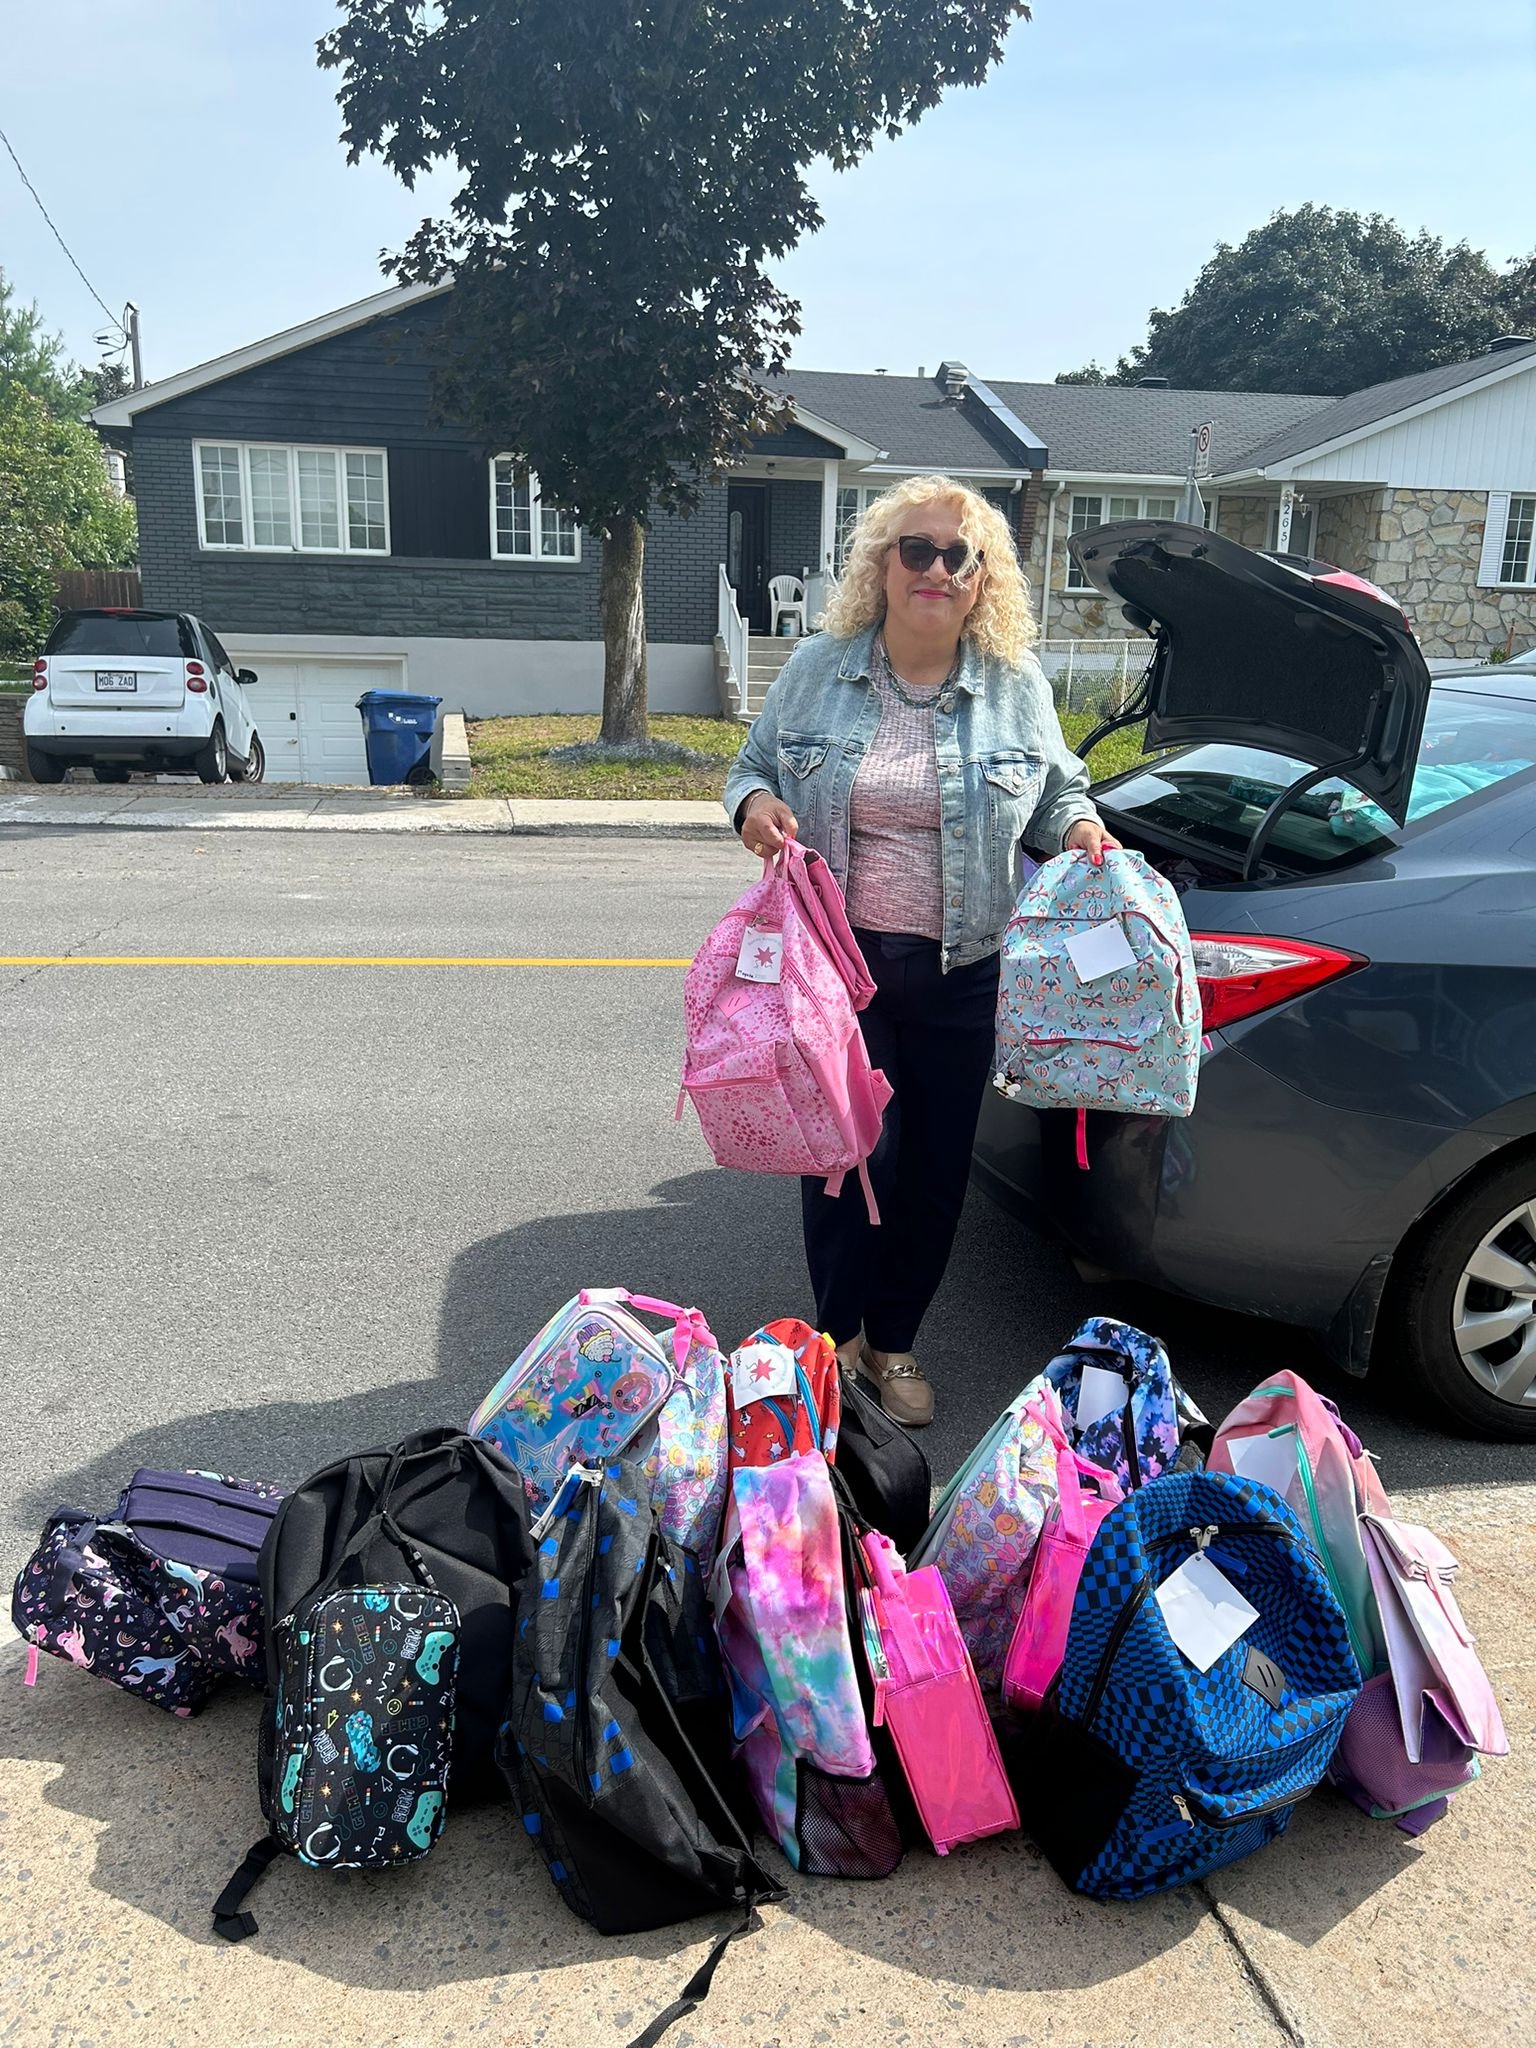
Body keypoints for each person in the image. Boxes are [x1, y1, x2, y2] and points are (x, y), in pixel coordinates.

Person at [722, 474, 1119, 1426]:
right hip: (839, 970)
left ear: (981, 580)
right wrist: (755, 808)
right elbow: (754, 766)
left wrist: (1081, 830)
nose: (934, 569)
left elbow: (1059, 792)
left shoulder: (1016, 688)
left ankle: (894, 1344)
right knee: (850, 1162)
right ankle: (838, 1342)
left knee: (934, 1174)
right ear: (882, 567)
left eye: (957, 555)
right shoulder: (820, 668)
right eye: (916, 551)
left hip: (961, 972)